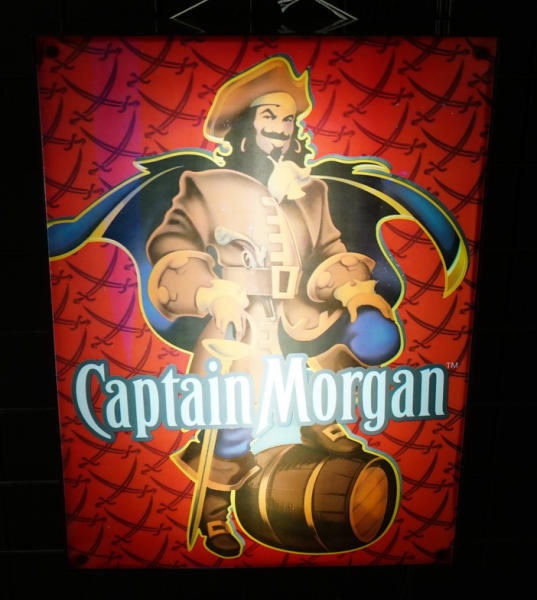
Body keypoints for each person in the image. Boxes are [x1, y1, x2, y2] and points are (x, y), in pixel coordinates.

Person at [146, 56, 399, 557]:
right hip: (241, 321)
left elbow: (329, 251)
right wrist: (210, 291)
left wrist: (354, 292)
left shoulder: (312, 191)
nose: (282, 127)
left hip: (301, 313)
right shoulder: (207, 186)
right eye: (269, 115)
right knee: (234, 418)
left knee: (351, 349)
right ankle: (215, 512)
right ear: (245, 126)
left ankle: (320, 416)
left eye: (288, 118)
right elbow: (172, 245)